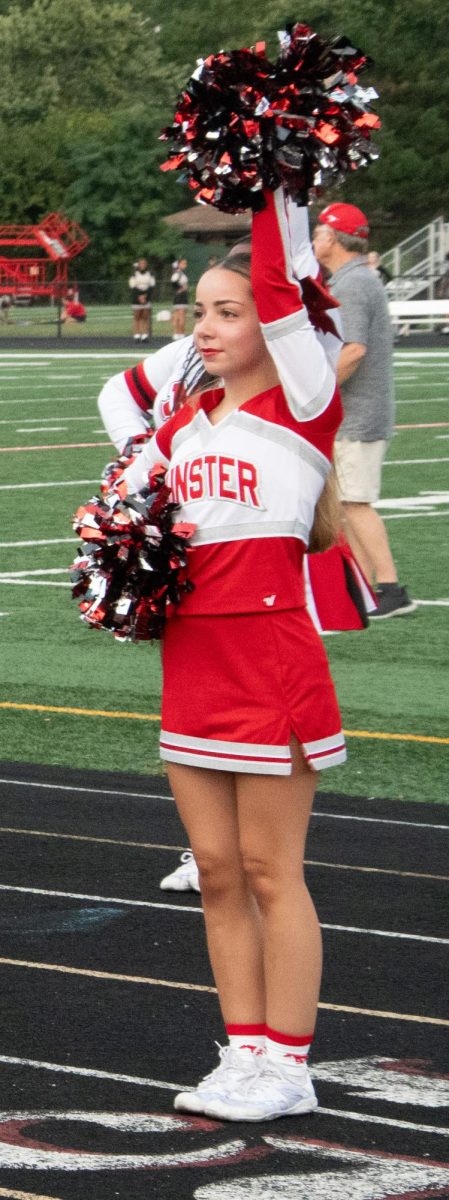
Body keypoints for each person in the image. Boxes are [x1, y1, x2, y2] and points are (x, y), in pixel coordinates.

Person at [111, 186, 347, 1123]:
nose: (202, 327)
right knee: (212, 869)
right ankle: (242, 1050)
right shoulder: (179, 428)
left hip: (272, 664)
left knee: (267, 871)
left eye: (225, 311)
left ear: (270, 320)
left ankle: (289, 1063)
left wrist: (269, 179)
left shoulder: (305, 410)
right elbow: (118, 517)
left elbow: (288, 297)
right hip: (192, 667)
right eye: (196, 313)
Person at [313, 202, 416, 619]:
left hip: (358, 413)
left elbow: (353, 350)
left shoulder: (352, 284)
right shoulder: (356, 279)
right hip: (359, 411)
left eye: (320, 232)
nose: (316, 240)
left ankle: (390, 588)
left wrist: (316, 392)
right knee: (346, 504)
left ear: (335, 238)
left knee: (355, 502)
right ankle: (363, 589)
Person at [129, 258, 156, 342]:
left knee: (145, 317)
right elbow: (132, 286)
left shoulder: (149, 274)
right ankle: (137, 335)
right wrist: (140, 296)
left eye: (144, 263)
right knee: (137, 317)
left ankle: (144, 335)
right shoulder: (134, 274)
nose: (143, 265)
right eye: (141, 263)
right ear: (138, 265)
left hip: (146, 296)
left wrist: (145, 296)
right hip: (136, 297)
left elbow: (152, 285)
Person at [170, 257, 189, 339]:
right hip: (180, 296)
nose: (185, 265)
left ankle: (177, 334)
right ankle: (180, 334)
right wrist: (181, 288)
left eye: (185, 263)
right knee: (180, 316)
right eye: (183, 263)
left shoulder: (181, 273)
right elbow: (173, 282)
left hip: (180, 296)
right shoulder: (178, 273)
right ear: (179, 264)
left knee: (178, 315)